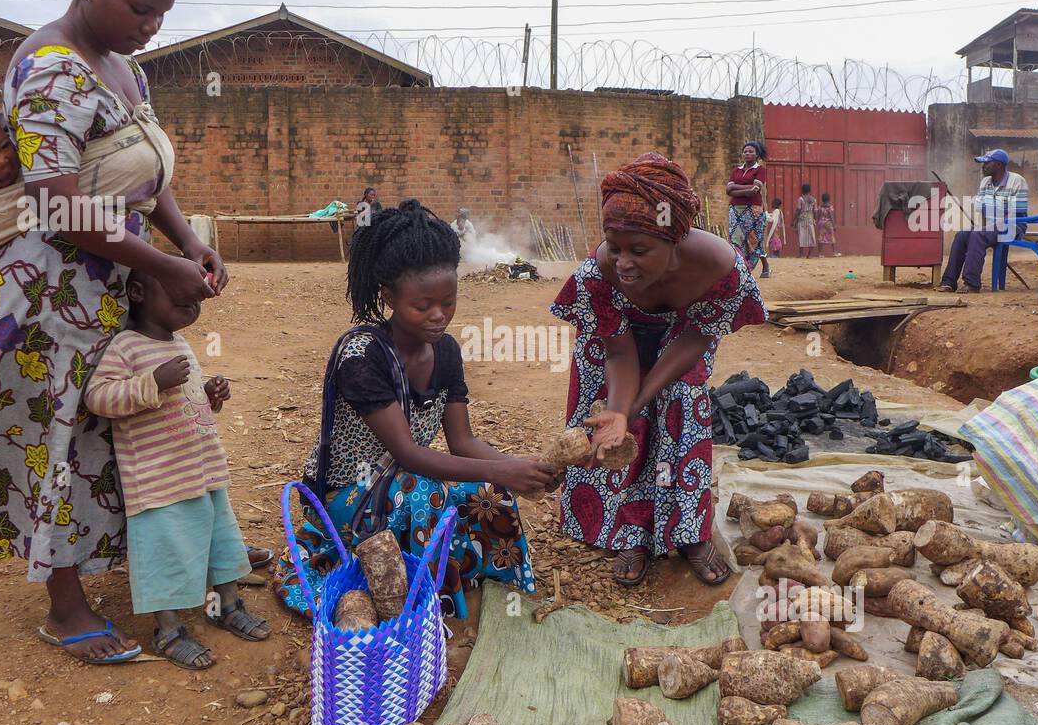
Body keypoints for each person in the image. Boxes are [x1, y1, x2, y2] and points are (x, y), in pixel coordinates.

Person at [0, 0, 228, 665]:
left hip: (107, 272)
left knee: (118, 424)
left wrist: (185, 242)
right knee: (62, 434)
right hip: (51, 291)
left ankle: (131, 561)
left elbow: (143, 166)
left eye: (162, 14)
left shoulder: (123, 66)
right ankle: (65, 604)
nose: (150, 27)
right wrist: (160, 264)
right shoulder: (52, 66)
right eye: (140, 9)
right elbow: (55, 203)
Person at [273, 199, 552, 620]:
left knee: (487, 492)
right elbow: (407, 454)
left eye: (449, 302)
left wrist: (523, 467)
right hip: (347, 492)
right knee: (427, 493)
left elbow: (463, 442)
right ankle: (431, 607)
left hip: (402, 478)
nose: (439, 316)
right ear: (388, 297)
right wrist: (501, 469)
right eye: (422, 306)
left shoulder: (446, 352)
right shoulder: (362, 356)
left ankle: (480, 577)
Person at [551, 152, 767, 587]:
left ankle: (687, 532)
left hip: (683, 335)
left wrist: (638, 403)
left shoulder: (721, 270)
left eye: (640, 250)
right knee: (611, 417)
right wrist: (619, 411)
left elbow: (692, 341)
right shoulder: (600, 273)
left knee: (681, 398)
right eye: (616, 248)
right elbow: (619, 354)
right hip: (616, 342)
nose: (624, 262)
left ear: (675, 241)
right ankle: (628, 530)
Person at [84, 269, 269, 669]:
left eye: (196, 303)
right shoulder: (125, 348)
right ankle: (168, 631)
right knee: (165, 556)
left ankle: (227, 606)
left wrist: (210, 397)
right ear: (137, 292)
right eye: (181, 301)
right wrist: (151, 381)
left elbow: (186, 403)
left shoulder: (181, 343)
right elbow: (99, 398)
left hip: (202, 471)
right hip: (157, 481)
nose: (191, 310)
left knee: (220, 545)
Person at [937, 149, 1028, 294]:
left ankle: (972, 283)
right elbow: (982, 212)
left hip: (1012, 225)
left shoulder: (1017, 181)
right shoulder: (985, 182)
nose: (983, 166)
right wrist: (981, 227)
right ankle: (949, 282)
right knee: (962, 235)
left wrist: (986, 229)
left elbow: (1014, 213)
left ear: (998, 165)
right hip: (990, 227)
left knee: (977, 235)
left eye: (987, 163)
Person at [726, 141, 769, 278]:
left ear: (757, 154)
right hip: (735, 209)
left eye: (751, 151)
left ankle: (765, 266)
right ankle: (741, 269)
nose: (747, 154)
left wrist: (736, 188)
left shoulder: (760, 170)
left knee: (753, 240)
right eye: (745, 151)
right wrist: (747, 188)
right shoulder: (736, 170)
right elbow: (728, 190)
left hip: (753, 209)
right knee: (735, 238)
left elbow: (755, 190)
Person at [793, 184, 817, 257]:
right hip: (810, 219)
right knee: (812, 236)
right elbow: (815, 211)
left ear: (802, 190)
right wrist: (815, 219)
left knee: (802, 236)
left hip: (802, 219)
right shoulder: (814, 200)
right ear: (810, 191)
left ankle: (800, 254)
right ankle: (809, 255)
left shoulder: (800, 199)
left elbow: (798, 210)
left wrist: (794, 220)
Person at [816, 192, 840, 257]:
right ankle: (835, 252)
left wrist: (817, 223)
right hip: (828, 223)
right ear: (829, 199)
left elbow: (818, 216)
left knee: (821, 237)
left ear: (822, 200)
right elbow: (831, 216)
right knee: (832, 237)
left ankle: (820, 253)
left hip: (821, 223)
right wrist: (834, 225)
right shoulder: (830, 207)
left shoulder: (820, 207)